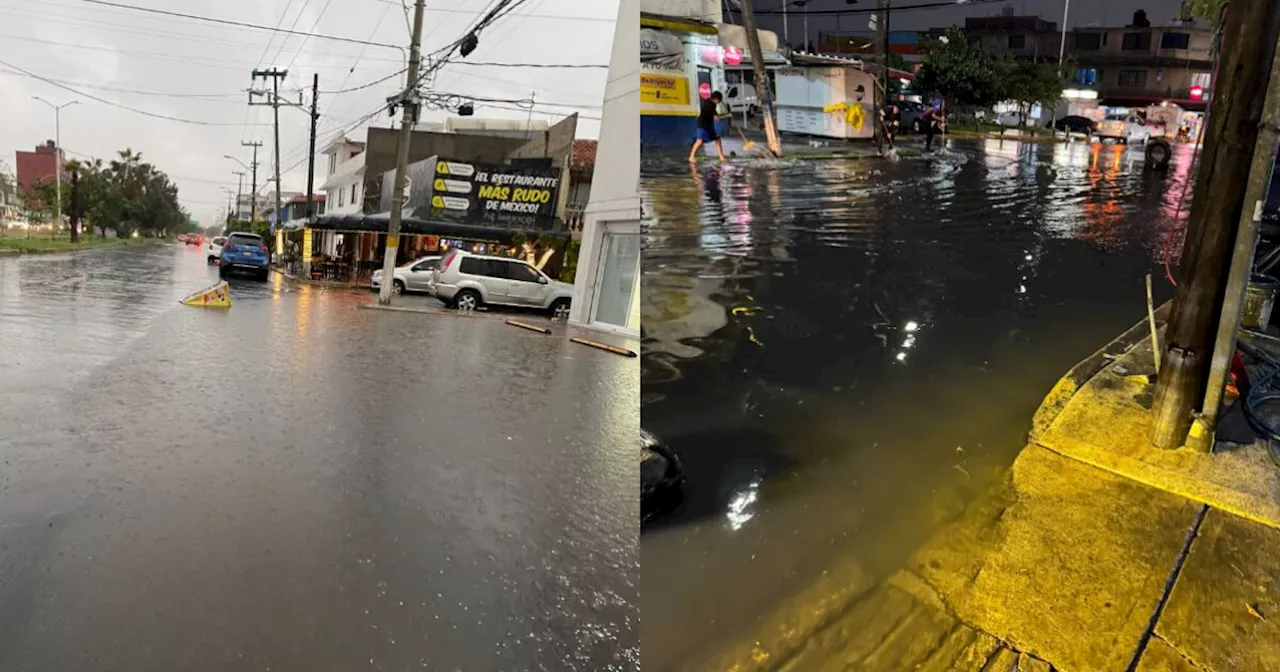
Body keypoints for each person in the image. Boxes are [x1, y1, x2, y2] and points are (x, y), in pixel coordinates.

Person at [690, 91, 729, 163]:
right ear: (716, 99)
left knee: (717, 139)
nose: (719, 102)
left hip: (708, 125)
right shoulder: (709, 105)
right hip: (702, 125)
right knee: (700, 141)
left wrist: (725, 115)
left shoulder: (711, 103)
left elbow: (716, 114)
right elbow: (716, 118)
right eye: (719, 100)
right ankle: (691, 157)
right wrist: (727, 116)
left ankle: (721, 157)